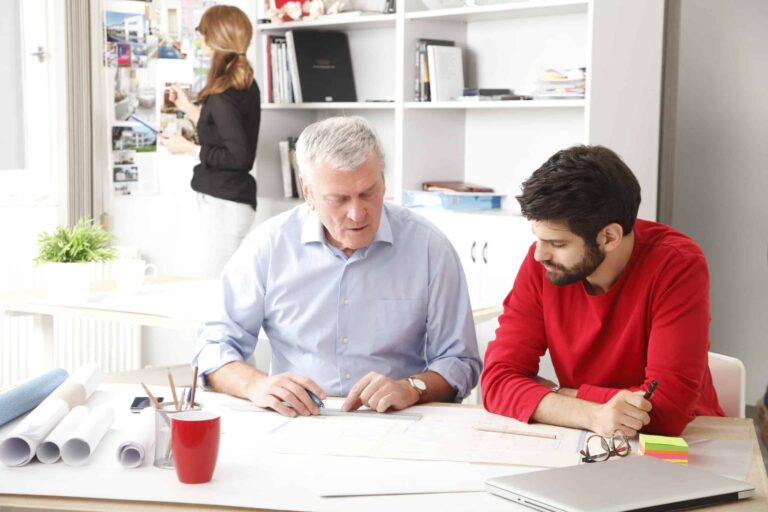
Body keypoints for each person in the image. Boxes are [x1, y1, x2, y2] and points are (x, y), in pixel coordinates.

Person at [192, 116, 481, 417]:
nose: (357, 214)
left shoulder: (429, 248)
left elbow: (460, 361)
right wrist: (256, 385)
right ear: (309, 192)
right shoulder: (268, 246)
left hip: (397, 420)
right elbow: (213, 347)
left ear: (383, 181)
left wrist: (412, 387)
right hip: (296, 421)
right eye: (339, 199)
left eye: (368, 193)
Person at [482, 145, 724, 436]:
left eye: (558, 243)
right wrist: (591, 414)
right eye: (538, 238)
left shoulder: (677, 264)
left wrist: (562, 394)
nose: (538, 255)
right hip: (589, 435)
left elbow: (667, 410)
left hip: (687, 440)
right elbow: (496, 382)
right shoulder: (545, 264)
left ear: (608, 237)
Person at [160, 5, 260, 278]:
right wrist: (189, 109)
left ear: (215, 38)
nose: (200, 38)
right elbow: (226, 127)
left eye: (203, 33)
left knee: (208, 291)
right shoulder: (241, 84)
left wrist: (188, 149)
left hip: (224, 205)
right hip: (230, 203)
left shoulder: (223, 94)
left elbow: (240, 157)